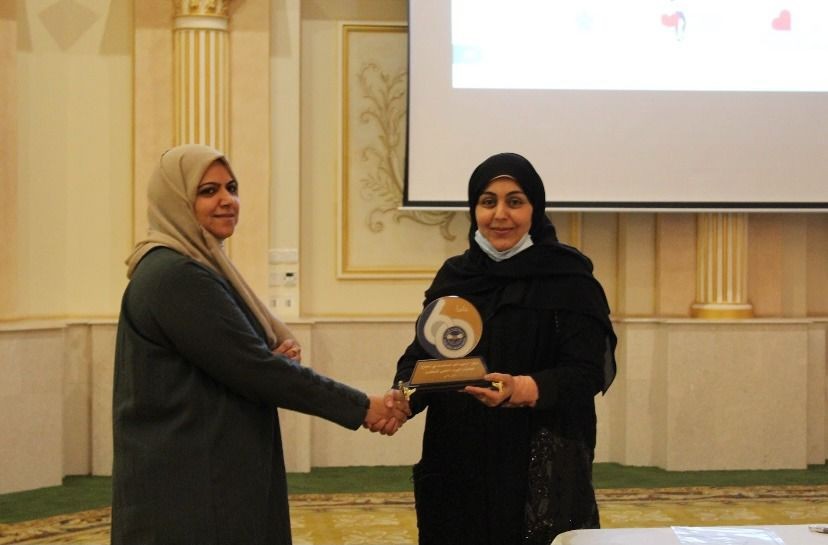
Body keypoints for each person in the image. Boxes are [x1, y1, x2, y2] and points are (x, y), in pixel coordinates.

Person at [111, 144, 409, 545]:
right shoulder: (177, 276)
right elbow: (253, 370)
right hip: (192, 482)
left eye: (231, 188)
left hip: (200, 465)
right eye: (208, 191)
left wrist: (263, 359)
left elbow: (232, 358)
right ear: (175, 200)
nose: (227, 200)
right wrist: (362, 406)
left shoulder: (191, 267)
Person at [391, 152, 617, 545]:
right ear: (474, 209)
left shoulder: (569, 278)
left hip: (536, 457)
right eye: (488, 201)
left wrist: (521, 388)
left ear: (535, 208)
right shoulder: (456, 277)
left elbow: (586, 372)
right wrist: (403, 398)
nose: (500, 215)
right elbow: (425, 356)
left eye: (515, 201)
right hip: (458, 457)